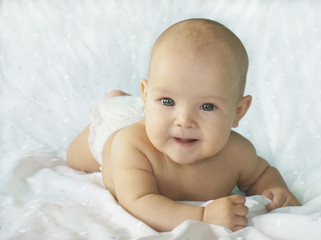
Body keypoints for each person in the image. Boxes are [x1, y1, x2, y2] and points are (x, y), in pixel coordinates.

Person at [67, 18, 301, 232]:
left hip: (152, 115)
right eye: (167, 100)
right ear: (147, 96)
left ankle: (139, 100)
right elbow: (138, 202)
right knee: (73, 158)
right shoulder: (131, 147)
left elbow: (262, 174)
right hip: (115, 125)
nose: (185, 121)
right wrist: (203, 215)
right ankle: (116, 100)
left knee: (161, 111)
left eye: (207, 106)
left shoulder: (238, 153)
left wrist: (275, 189)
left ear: (238, 112)